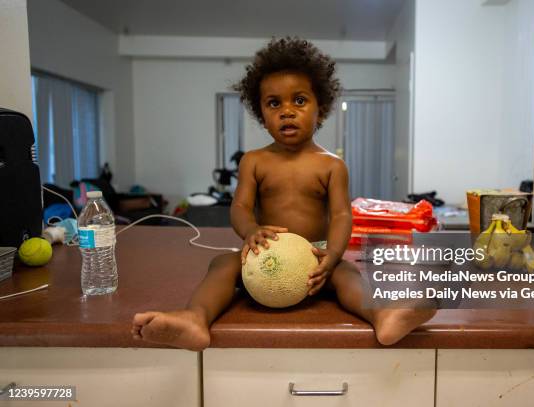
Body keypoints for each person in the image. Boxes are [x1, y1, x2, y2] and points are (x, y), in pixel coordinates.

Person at [131, 37, 436, 350]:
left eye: (299, 101)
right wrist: (251, 231)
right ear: (262, 113)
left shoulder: (332, 165)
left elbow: (343, 215)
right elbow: (240, 207)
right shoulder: (254, 161)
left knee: (348, 274)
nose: (287, 111)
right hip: (265, 257)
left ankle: (384, 316)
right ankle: (195, 319)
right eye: (274, 103)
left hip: (315, 259)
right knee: (222, 264)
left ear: (322, 107)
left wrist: (331, 256)